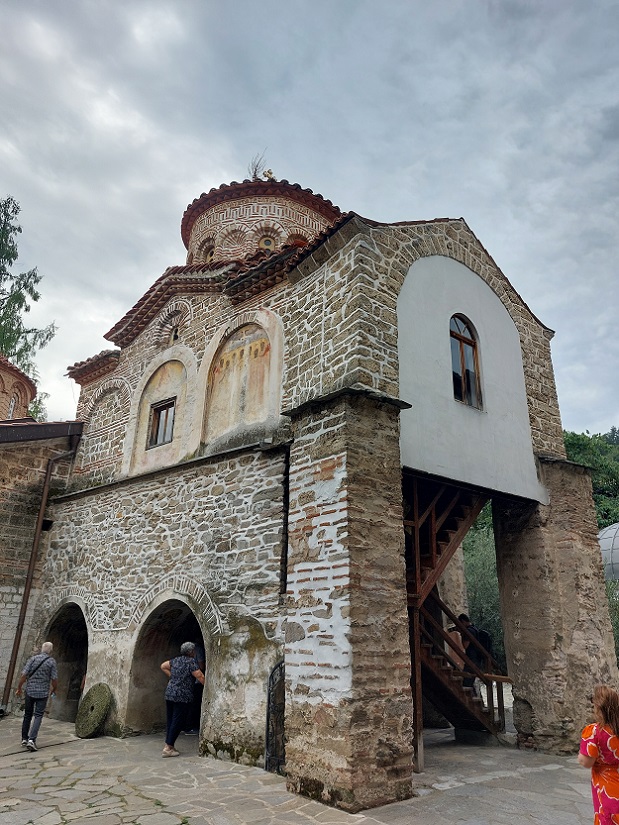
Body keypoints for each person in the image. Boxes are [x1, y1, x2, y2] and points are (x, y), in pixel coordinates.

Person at [578, 684, 619, 824]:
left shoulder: (594, 732)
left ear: (598, 707)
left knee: (607, 818)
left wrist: (581, 753)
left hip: (606, 785)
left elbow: (586, 762)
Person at [160, 642, 205, 757]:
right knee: (178, 721)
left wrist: (172, 676)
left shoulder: (175, 660)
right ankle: (168, 748)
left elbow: (163, 666)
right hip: (182, 696)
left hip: (170, 693)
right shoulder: (191, 662)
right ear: (191, 652)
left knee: (171, 720)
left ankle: (169, 744)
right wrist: (208, 687)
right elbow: (200, 676)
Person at [15, 641, 58, 752]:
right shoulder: (51, 662)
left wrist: (19, 688)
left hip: (30, 691)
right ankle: (32, 740)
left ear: (41, 649)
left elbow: (24, 675)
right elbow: (54, 679)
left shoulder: (33, 659)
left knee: (27, 715)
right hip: (43, 693)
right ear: (51, 651)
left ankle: (24, 738)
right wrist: (54, 689)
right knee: (38, 715)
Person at [183, 642, 205, 735]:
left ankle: (184, 726)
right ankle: (189, 727)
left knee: (186, 704)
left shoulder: (182, 656)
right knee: (194, 705)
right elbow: (201, 666)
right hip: (195, 682)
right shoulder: (198, 649)